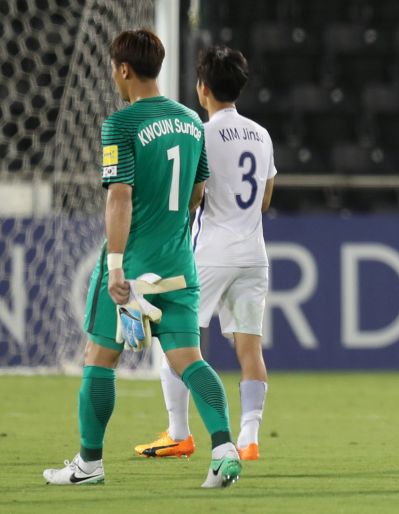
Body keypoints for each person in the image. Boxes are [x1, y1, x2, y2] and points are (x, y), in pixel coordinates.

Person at [42, 29, 241, 488]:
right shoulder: (192, 120)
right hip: (179, 265)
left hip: (132, 270)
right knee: (188, 359)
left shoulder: (122, 124)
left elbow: (119, 198)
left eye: (114, 68)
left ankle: (89, 464)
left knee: (98, 359)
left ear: (124, 69)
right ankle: (224, 447)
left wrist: (115, 265)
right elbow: (197, 191)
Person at [134, 46, 276, 462]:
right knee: (250, 350)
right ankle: (250, 438)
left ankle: (179, 432)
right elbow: (265, 199)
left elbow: (193, 194)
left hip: (211, 251)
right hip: (254, 253)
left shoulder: (200, 131)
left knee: (176, 339)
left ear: (202, 88)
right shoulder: (261, 134)